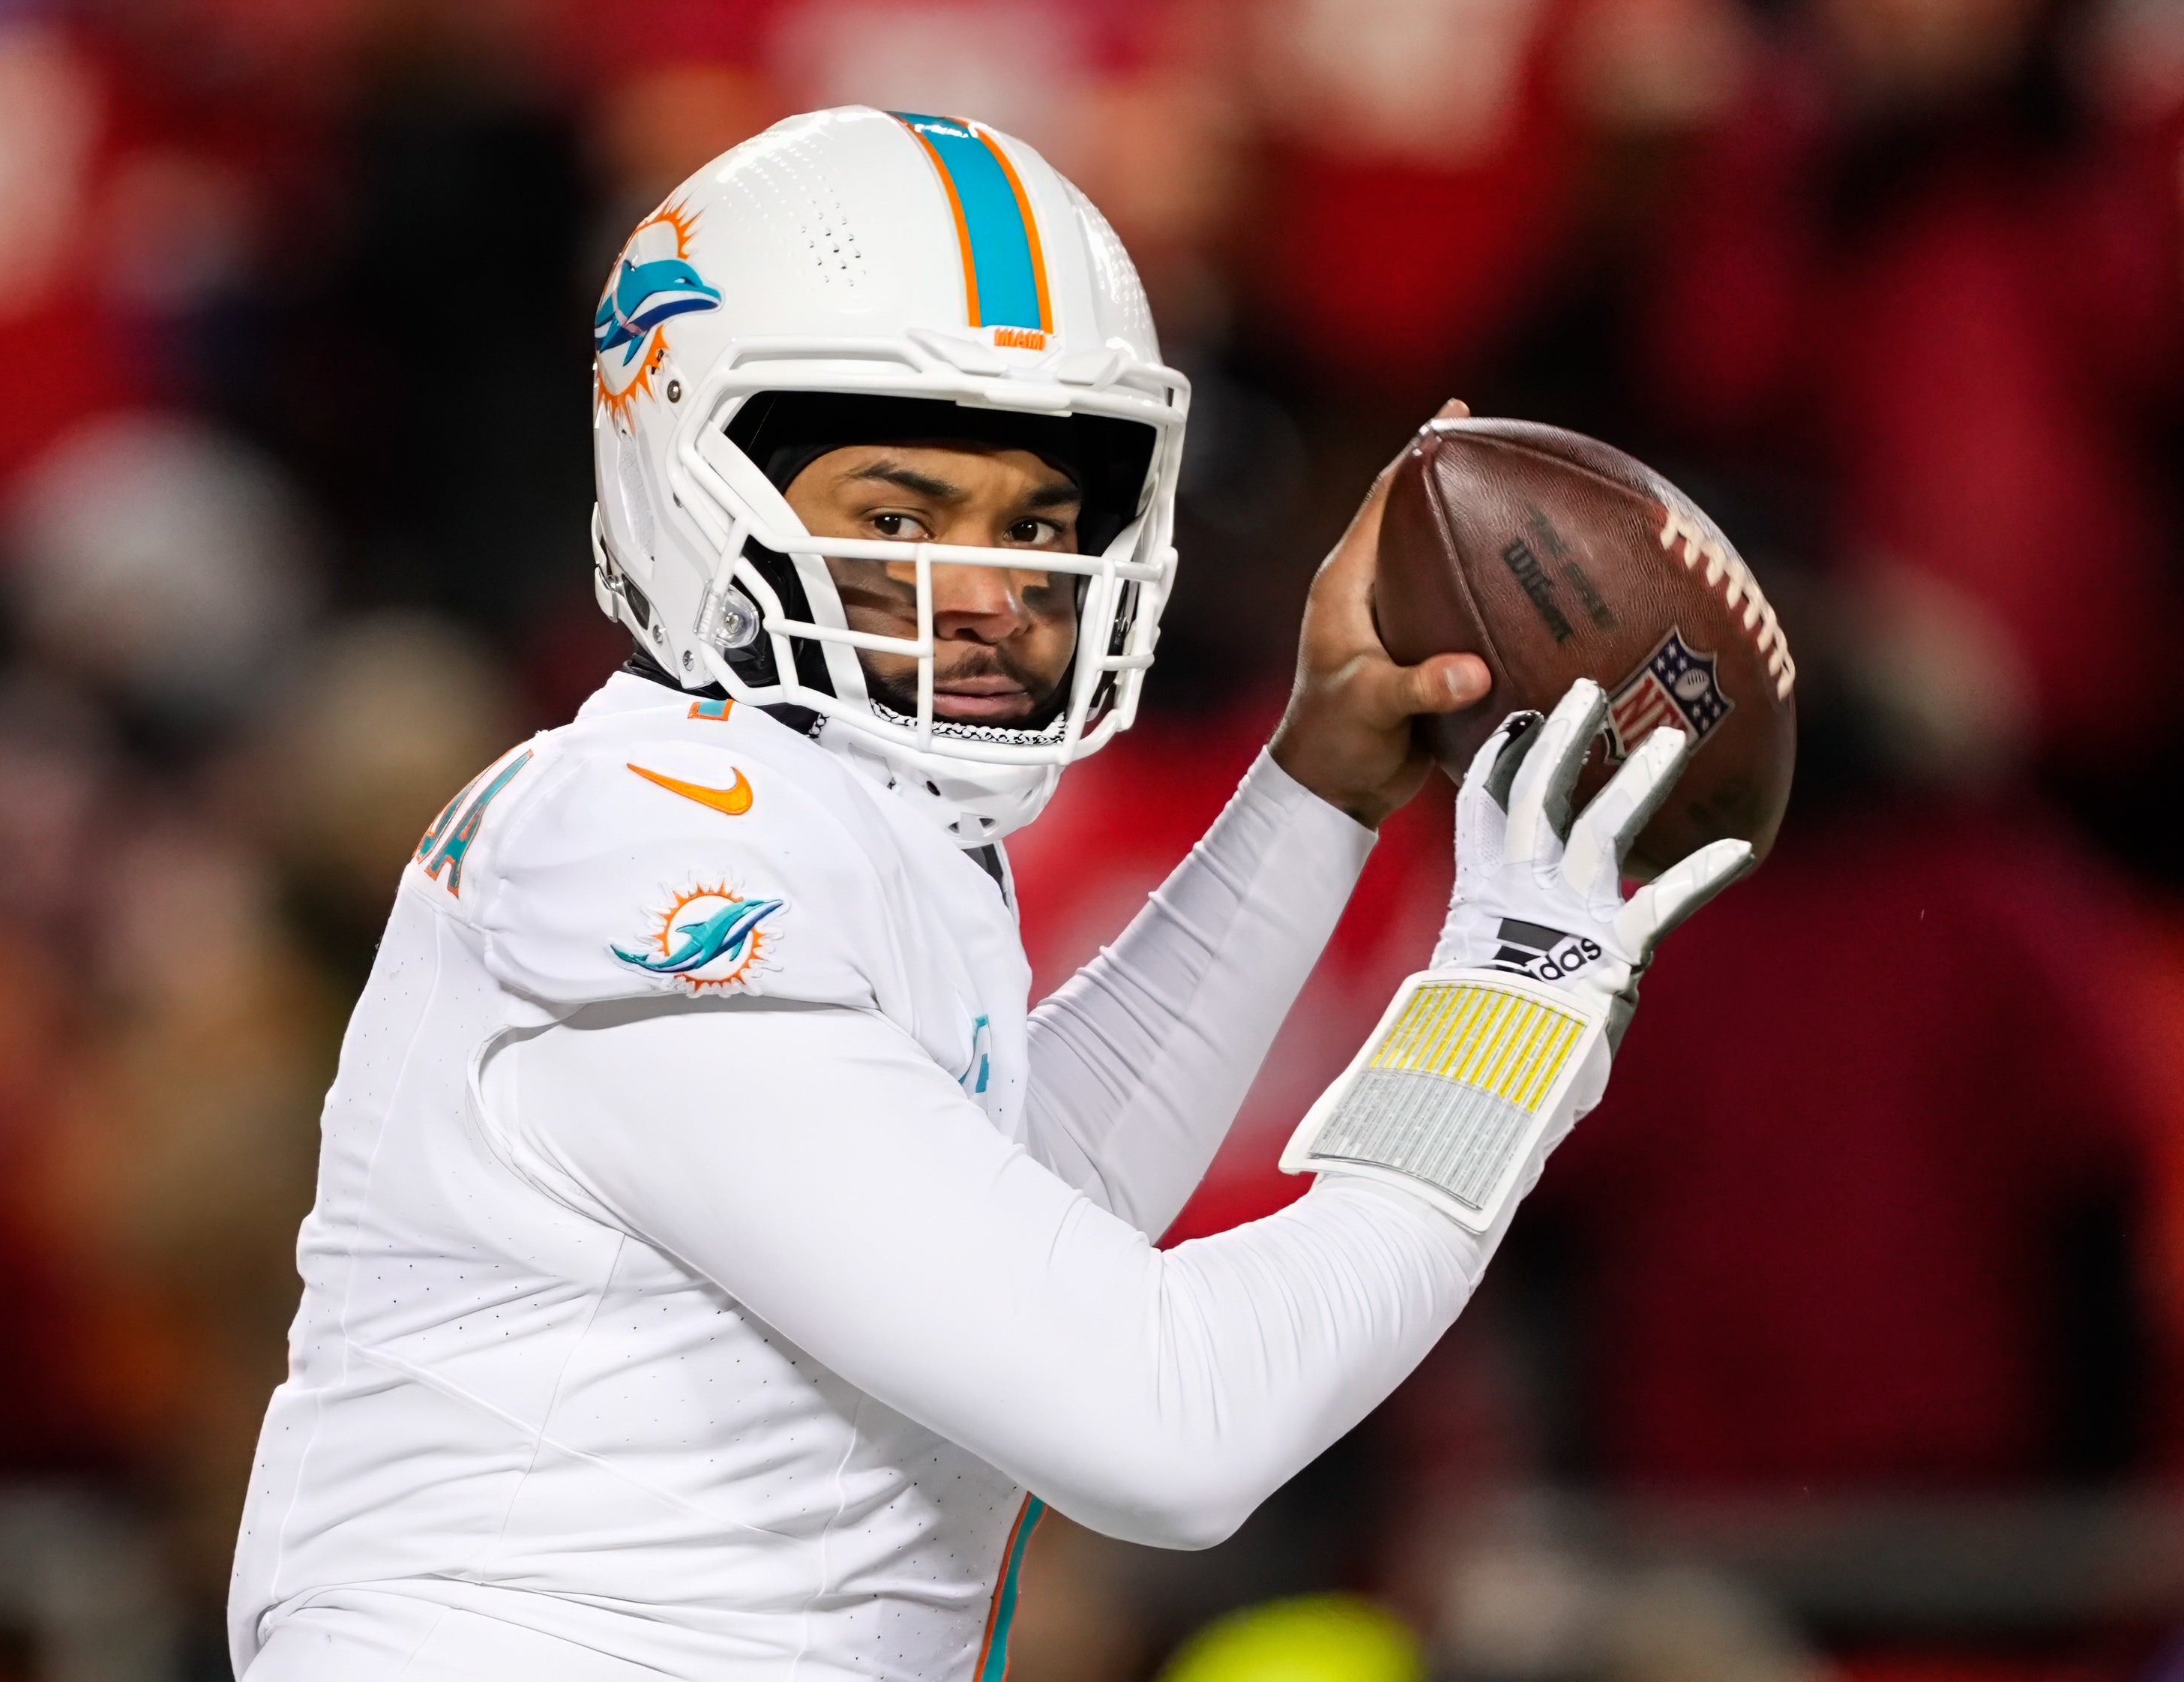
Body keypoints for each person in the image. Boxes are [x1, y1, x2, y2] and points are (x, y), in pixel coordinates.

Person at [226, 106, 1750, 1682]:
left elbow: (1034, 1200)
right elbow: (1168, 1429)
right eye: (898, 515)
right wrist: (1498, 1037)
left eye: (1034, 522)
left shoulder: (816, 817)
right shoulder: (636, 836)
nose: (993, 586)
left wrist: (1317, 795)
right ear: (688, 480)